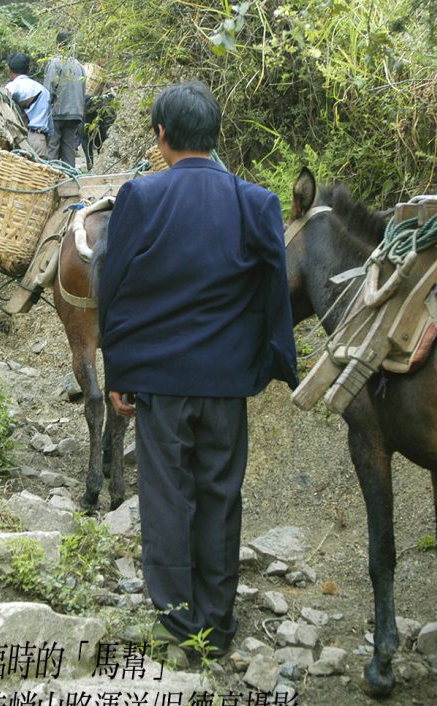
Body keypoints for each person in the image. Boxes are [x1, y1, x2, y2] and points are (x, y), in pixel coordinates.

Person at [97, 82, 298, 657]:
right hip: (227, 382)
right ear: (215, 137)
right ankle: (219, 621)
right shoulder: (256, 203)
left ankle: (181, 623)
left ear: (161, 135)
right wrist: (269, 363)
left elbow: (116, 291)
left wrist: (120, 373)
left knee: (167, 497)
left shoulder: (141, 197)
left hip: (159, 381)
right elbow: (272, 292)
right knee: (220, 496)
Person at [42, 31, 86, 167]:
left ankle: (52, 179)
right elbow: (83, 91)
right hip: (75, 114)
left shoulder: (55, 63)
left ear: (58, 45)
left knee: (52, 148)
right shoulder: (79, 66)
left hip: (58, 113)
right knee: (69, 150)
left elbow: (48, 90)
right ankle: (70, 179)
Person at [5, 53, 51, 157]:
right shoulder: (43, 91)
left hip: (16, 139)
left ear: (9, 70)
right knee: (38, 172)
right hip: (39, 139)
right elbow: (49, 123)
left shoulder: (10, 88)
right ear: (28, 69)